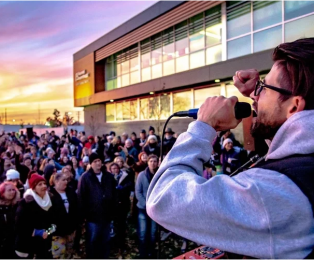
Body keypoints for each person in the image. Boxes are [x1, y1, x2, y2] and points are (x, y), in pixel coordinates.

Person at [147, 38, 314, 259]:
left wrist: (202, 127)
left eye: (264, 88)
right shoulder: (303, 165)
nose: (254, 95)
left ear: (294, 106)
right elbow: (288, 150)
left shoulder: (275, 192)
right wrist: (268, 100)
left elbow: (163, 197)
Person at [77, 153, 117, 260]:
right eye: (95, 161)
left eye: (99, 160)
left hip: (107, 216)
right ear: (90, 163)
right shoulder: (85, 177)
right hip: (93, 217)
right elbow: (81, 197)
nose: (98, 163)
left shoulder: (108, 176)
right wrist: (84, 215)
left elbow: (114, 194)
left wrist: (113, 210)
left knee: (106, 241)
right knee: (93, 242)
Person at [14, 174, 59, 260]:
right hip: (28, 243)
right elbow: (19, 224)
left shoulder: (51, 199)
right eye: (40, 184)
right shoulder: (26, 203)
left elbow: (55, 220)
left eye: (44, 183)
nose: (44, 186)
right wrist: (36, 232)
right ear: (33, 188)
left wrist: (48, 232)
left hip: (44, 243)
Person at [0, 182, 20, 260]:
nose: (12, 192)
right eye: (9, 190)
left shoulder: (17, 206)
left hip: (16, 244)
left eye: (13, 190)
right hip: (1, 246)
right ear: (2, 192)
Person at [49, 172, 78, 259]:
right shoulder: (50, 194)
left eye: (67, 180)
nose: (66, 182)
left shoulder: (71, 192)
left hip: (70, 230)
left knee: (69, 254)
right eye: (63, 180)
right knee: (59, 255)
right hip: (57, 232)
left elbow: (76, 208)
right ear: (56, 181)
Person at [135, 154, 159, 259]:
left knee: (153, 233)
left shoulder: (159, 175)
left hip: (155, 209)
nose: (153, 163)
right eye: (151, 161)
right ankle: (143, 254)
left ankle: (151, 252)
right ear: (147, 162)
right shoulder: (141, 175)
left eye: (155, 161)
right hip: (143, 208)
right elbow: (138, 192)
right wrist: (146, 204)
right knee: (143, 233)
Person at [109, 162, 134, 253]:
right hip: (112, 206)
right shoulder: (108, 178)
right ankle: (113, 245)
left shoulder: (125, 177)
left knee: (122, 226)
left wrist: (122, 188)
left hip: (123, 205)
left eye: (116, 168)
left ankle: (121, 245)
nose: (115, 170)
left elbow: (130, 185)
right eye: (113, 169)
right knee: (113, 227)